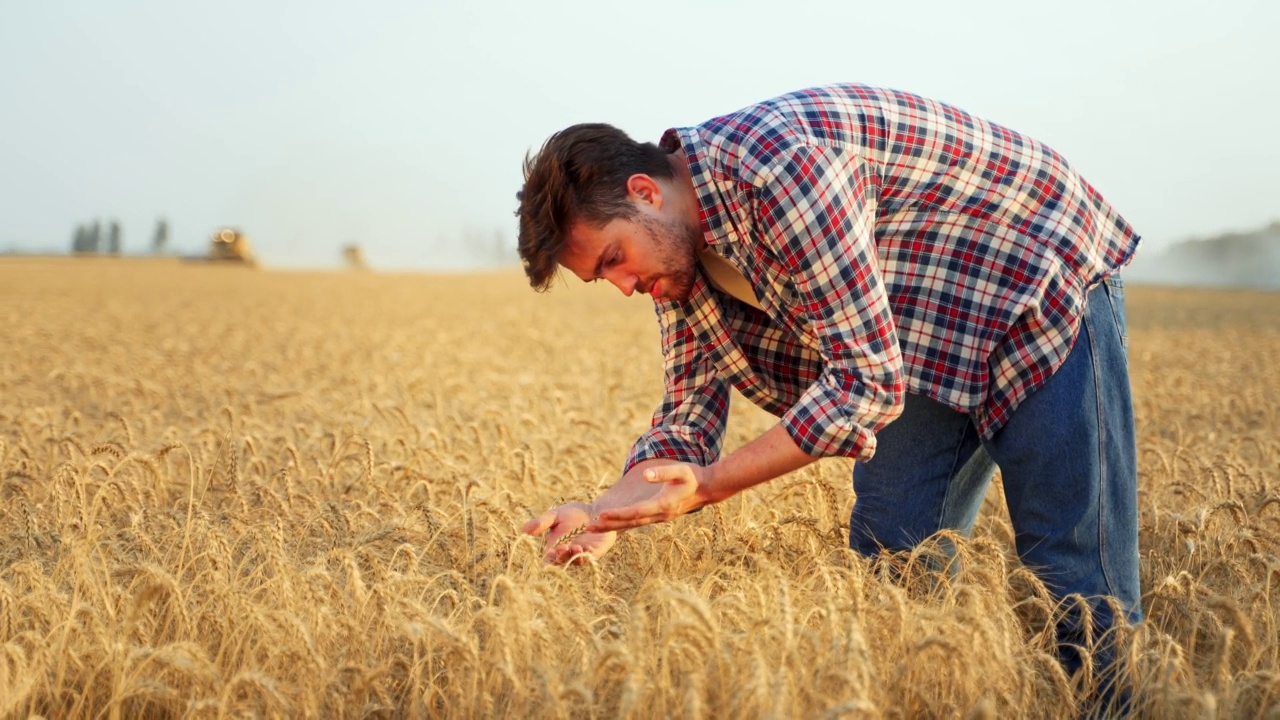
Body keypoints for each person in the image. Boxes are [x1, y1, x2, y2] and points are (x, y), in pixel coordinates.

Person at [514, 83, 1142, 683]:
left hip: (1033, 278)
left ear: (645, 192)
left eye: (614, 260)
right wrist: (602, 514)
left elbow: (866, 382)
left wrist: (708, 487)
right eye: (605, 278)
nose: (624, 286)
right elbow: (687, 415)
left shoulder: (783, 170)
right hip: (919, 332)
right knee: (895, 547)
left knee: (1072, 567)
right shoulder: (672, 257)